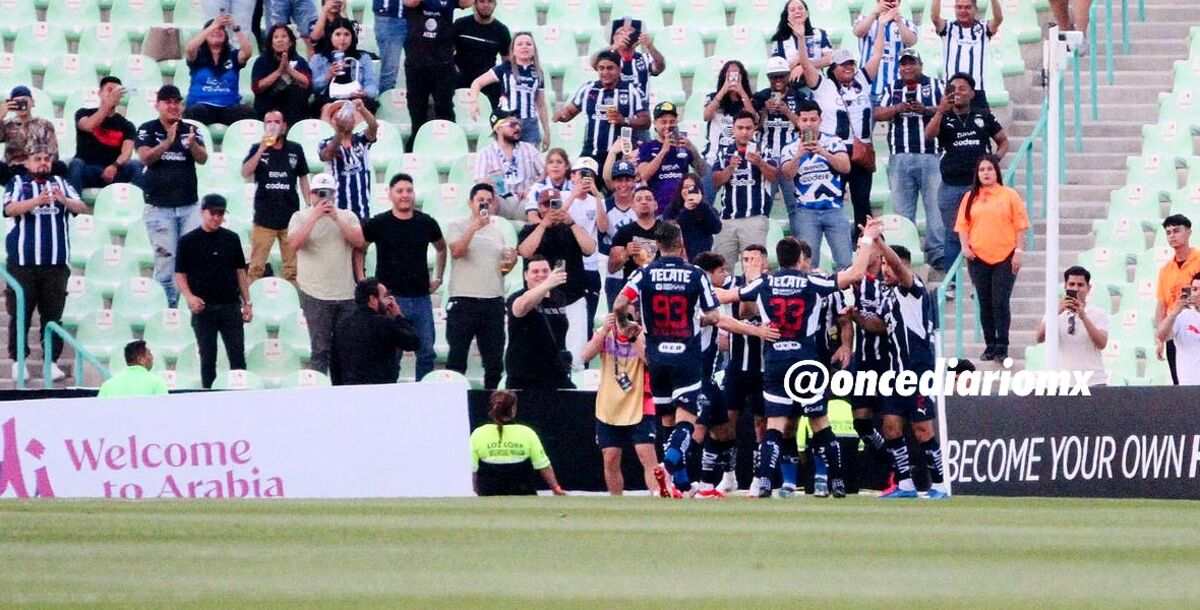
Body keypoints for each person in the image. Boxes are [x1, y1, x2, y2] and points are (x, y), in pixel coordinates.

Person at [717, 226, 879, 499]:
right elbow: (855, 273)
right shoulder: (811, 282)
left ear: (778, 259)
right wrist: (866, 239)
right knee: (820, 423)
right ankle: (837, 483)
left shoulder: (764, 283)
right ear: (800, 259)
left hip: (776, 359)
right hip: (806, 360)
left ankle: (766, 484)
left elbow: (724, 296)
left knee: (775, 427)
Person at [613, 221, 720, 497]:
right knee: (687, 421)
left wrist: (626, 327)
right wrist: (700, 319)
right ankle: (668, 467)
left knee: (667, 423)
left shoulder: (643, 273)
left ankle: (681, 486)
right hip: (686, 356)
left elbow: (618, 305)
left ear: (657, 245)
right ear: (681, 241)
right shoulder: (696, 274)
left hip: (656, 356)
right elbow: (715, 315)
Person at [873, 238, 949, 499]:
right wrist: (856, 317)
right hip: (895, 374)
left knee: (922, 429)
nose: (884, 269)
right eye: (882, 265)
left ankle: (939, 484)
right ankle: (905, 483)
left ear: (902, 266)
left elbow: (896, 265)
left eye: (889, 265)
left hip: (918, 371)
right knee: (891, 427)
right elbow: (882, 327)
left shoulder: (913, 288)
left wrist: (880, 244)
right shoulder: (889, 294)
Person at [3, 148, 87, 382]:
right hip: (23, 262)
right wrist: (36, 201)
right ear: (28, 163)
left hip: (56, 264)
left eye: (46, 159)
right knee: (20, 314)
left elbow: (80, 207)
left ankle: (51, 362)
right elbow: (9, 209)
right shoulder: (18, 182)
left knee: (52, 316)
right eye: (37, 159)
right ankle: (19, 362)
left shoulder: (61, 182)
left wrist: (64, 200)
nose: (43, 163)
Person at [794, 29, 887, 236]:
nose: (849, 68)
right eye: (843, 65)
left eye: (851, 64)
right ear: (833, 68)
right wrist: (801, 39)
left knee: (862, 199)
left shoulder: (862, 80)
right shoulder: (823, 86)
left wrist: (882, 23)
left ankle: (867, 241)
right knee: (834, 197)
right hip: (835, 150)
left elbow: (877, 55)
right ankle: (838, 239)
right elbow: (806, 64)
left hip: (861, 150)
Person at [362, 172, 446, 381]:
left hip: (420, 298)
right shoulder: (379, 222)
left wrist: (439, 277)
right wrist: (361, 276)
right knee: (392, 353)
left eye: (409, 190)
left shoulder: (426, 222)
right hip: (390, 298)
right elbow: (358, 249)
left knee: (426, 351)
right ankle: (392, 394)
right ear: (390, 194)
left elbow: (441, 248)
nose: (405, 195)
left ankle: (423, 394)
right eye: (399, 191)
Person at [136, 84, 208, 308]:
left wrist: (193, 143)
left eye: (177, 101)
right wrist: (168, 141)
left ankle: (190, 307)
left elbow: (203, 158)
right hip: (160, 207)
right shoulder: (147, 129)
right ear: (157, 105)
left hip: (188, 206)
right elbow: (145, 157)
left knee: (192, 258)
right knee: (166, 261)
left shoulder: (191, 129)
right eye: (168, 101)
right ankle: (167, 310)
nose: (173, 106)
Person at [927, 72, 1009, 269]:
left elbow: (1003, 141)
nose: (957, 93)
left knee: (982, 231)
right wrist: (940, 110)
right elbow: (929, 135)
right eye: (953, 89)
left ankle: (979, 280)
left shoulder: (983, 116)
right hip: (950, 186)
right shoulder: (944, 117)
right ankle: (952, 282)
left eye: (962, 88)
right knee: (952, 233)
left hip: (978, 186)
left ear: (972, 93)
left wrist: (994, 161)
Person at [873, 49, 946, 270]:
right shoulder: (892, 87)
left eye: (911, 63)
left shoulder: (935, 85)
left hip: (931, 154)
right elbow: (877, 113)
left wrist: (925, 110)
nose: (907, 68)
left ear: (920, 65)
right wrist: (897, 108)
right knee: (902, 210)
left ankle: (938, 253)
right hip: (900, 156)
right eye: (903, 64)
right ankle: (904, 253)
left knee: (935, 208)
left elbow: (947, 108)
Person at [955, 155, 1029, 362]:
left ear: (996, 171)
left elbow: (1020, 225)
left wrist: (1018, 252)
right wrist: (965, 247)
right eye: (982, 170)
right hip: (978, 257)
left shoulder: (1009, 195)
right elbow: (962, 225)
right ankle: (990, 344)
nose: (986, 173)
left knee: (1000, 301)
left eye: (989, 169)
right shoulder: (970, 197)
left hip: (1005, 256)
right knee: (985, 301)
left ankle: (1002, 344)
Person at [288, 173, 365, 374]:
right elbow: (294, 244)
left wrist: (335, 216)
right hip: (315, 294)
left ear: (334, 194)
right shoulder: (300, 217)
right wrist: (314, 216)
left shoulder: (347, 216)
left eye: (327, 193)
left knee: (346, 349)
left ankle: (343, 392)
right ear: (311, 194)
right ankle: (319, 394)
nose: (323, 197)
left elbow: (359, 242)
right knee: (320, 350)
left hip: (345, 293)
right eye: (318, 193)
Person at [175, 195, 252, 389]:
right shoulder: (188, 241)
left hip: (230, 306)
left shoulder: (231, 239)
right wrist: (190, 297)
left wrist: (247, 302)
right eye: (213, 213)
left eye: (220, 213)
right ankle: (208, 396)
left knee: (237, 356)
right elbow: (180, 274)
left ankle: (240, 395)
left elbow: (240, 272)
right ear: (203, 212)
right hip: (203, 308)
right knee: (207, 358)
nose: (217, 218)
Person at [446, 184, 515, 389]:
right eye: (480, 200)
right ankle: (453, 402)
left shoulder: (498, 231)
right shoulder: (457, 225)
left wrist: (510, 262)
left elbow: (500, 270)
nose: (484, 203)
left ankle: (493, 407)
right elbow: (457, 251)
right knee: (457, 359)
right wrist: (474, 226)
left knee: (493, 363)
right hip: (463, 300)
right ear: (471, 203)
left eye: (488, 200)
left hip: (492, 301)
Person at [581, 313, 659, 496]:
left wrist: (633, 336)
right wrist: (603, 333)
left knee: (646, 454)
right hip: (609, 404)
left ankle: (658, 496)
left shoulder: (644, 334)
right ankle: (617, 501)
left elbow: (652, 362)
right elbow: (585, 355)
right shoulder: (605, 332)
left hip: (640, 401)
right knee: (610, 457)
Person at [517, 188, 597, 368]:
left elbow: (590, 248)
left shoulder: (572, 229)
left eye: (556, 204)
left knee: (576, 359)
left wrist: (572, 223)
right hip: (540, 304)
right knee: (539, 359)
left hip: (572, 300)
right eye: (547, 204)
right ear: (539, 207)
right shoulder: (530, 229)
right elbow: (525, 251)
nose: (552, 208)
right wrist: (543, 225)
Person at [781, 99, 853, 270]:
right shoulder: (789, 148)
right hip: (806, 211)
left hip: (834, 208)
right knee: (808, 263)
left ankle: (846, 295)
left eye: (813, 119)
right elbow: (787, 174)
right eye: (804, 120)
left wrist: (823, 152)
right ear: (797, 121)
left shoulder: (833, 142)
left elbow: (846, 167)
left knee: (845, 261)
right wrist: (798, 155)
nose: (809, 124)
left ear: (820, 120)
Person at [242, 110, 311, 284]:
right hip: (264, 219)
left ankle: (296, 306)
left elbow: (303, 177)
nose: (272, 125)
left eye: (276, 122)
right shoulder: (257, 148)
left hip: (290, 219)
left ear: (284, 126)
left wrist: (309, 205)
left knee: (292, 270)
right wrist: (262, 148)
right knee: (256, 267)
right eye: (268, 122)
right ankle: (251, 305)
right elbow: (245, 172)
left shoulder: (295, 149)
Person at [553, 50, 650, 168]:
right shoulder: (588, 89)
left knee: (618, 185)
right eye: (601, 68)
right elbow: (570, 111)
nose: (605, 72)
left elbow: (646, 121)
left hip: (620, 155)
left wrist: (624, 121)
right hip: (591, 153)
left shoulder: (632, 91)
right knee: (583, 181)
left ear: (619, 70)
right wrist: (562, 115)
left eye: (610, 68)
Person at [711, 111, 777, 272]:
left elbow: (775, 177)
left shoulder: (764, 150)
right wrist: (730, 168)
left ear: (754, 129)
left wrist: (760, 163)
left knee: (755, 269)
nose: (744, 132)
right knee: (723, 269)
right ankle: (728, 297)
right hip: (727, 219)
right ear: (733, 129)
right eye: (740, 128)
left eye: (748, 128)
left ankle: (753, 298)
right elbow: (715, 182)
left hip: (754, 218)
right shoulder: (724, 152)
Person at [402, 0, 472, 150]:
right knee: (417, 108)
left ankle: (449, 145)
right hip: (416, 63)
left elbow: (467, 3)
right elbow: (410, 3)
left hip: (443, 63)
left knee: (444, 107)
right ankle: (417, 145)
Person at [470, 390, 566, 496]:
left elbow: (472, 469)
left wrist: (476, 489)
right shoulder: (527, 432)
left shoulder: (478, 433)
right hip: (522, 491)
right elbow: (543, 465)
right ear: (513, 409)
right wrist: (556, 488)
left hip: (488, 492)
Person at [753, 56, 810, 234]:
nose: (777, 80)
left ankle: (799, 246)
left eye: (781, 76)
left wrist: (787, 112)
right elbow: (752, 127)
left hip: (790, 157)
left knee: (795, 206)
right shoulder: (760, 97)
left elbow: (806, 127)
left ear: (787, 75)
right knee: (763, 206)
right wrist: (764, 112)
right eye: (773, 77)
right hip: (766, 156)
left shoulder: (799, 96)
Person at [329, 277, 421, 385]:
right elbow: (413, 342)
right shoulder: (383, 324)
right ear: (372, 300)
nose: (389, 301)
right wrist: (399, 316)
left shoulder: (342, 324)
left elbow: (334, 365)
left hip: (350, 392)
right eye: (385, 297)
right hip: (381, 392)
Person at [468, 32, 550, 149]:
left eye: (528, 44)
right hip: (508, 122)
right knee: (507, 161)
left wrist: (547, 131)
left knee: (528, 162)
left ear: (534, 50)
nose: (524, 46)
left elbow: (541, 104)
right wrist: (473, 103)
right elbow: (478, 82)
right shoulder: (505, 68)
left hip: (530, 124)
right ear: (513, 50)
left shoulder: (538, 73)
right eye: (520, 44)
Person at [504, 255, 574, 390]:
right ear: (525, 275)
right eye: (535, 272)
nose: (541, 275)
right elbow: (520, 309)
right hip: (524, 376)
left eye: (545, 271)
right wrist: (547, 284)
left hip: (555, 374)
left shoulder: (558, 297)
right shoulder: (517, 296)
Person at [1035, 265, 1109, 385]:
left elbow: (1102, 343)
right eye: (1072, 284)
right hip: (1064, 382)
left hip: (1093, 381)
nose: (1076, 289)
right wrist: (1057, 312)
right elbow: (1039, 338)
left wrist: (1083, 317)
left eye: (1080, 285)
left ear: (1088, 288)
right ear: (1065, 286)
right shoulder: (1054, 312)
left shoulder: (1097, 313)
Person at [68, 76, 143, 194]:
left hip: (113, 171)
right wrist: (107, 105)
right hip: (88, 169)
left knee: (135, 165)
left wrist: (114, 166)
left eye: (116, 92)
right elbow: (88, 126)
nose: (113, 95)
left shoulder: (127, 125)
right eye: (109, 90)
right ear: (100, 93)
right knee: (75, 164)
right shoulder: (83, 113)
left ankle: (145, 204)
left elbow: (127, 153)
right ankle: (74, 207)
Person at [564, 157, 608, 340]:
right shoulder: (562, 196)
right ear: (573, 175)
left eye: (589, 175)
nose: (585, 179)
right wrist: (573, 195)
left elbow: (603, 227)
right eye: (581, 174)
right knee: (566, 318)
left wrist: (597, 196)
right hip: (568, 265)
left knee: (587, 320)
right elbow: (556, 219)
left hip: (590, 265)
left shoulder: (597, 200)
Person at [931, 0, 1003, 111]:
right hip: (951, 91)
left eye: (968, 7)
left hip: (976, 91)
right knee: (948, 127)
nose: (963, 11)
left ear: (976, 9)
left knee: (985, 127)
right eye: (959, 7)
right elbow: (935, 17)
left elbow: (998, 19)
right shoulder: (948, 27)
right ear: (954, 9)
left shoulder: (983, 28)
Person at [183, 16, 255, 126]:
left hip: (228, 107)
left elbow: (247, 52)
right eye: (213, 30)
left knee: (248, 113)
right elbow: (189, 49)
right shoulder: (198, 56)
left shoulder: (233, 55)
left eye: (221, 29)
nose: (217, 31)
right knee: (195, 113)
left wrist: (235, 27)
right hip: (201, 106)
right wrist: (213, 26)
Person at [637, 101, 704, 218]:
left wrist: (692, 148)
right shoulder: (647, 147)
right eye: (663, 122)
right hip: (658, 210)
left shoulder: (683, 145)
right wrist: (663, 151)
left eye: (672, 122)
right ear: (655, 124)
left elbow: (702, 171)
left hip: (684, 210)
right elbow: (643, 176)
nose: (668, 126)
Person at [473, 110, 544, 221]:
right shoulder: (485, 154)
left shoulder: (529, 148)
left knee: (540, 200)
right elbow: (481, 184)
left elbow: (545, 173)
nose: (517, 128)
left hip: (525, 200)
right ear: (498, 129)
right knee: (486, 202)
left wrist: (532, 188)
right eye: (512, 125)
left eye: (518, 124)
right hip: (500, 201)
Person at [1155, 215, 1200, 384]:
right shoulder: (1166, 269)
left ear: (1188, 232)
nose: (1172, 236)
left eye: (1176, 230)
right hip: (1176, 329)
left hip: (1196, 325)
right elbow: (1161, 305)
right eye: (1168, 233)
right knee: (1180, 381)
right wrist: (1159, 339)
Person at [319, 99, 378, 222]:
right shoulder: (325, 143)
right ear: (333, 122)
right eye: (339, 117)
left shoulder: (361, 140)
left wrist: (362, 109)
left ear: (354, 121)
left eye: (347, 116)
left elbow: (373, 126)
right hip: (338, 211)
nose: (344, 119)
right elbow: (327, 154)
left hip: (362, 210)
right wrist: (339, 133)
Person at [701, 60, 756, 188]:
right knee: (706, 198)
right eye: (729, 74)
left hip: (740, 159)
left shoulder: (749, 99)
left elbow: (754, 119)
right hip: (713, 156)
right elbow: (706, 116)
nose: (733, 78)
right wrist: (724, 89)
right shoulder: (713, 97)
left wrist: (741, 92)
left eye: (736, 74)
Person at [309, 18, 381, 115]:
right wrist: (328, 76)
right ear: (330, 36)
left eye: (346, 34)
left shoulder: (363, 58)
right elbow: (313, 87)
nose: (342, 38)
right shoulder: (318, 58)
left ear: (352, 37)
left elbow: (371, 84)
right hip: (328, 99)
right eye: (338, 34)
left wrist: (365, 92)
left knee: (357, 108)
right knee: (329, 109)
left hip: (356, 99)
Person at [852, 0, 917, 104]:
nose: (889, 3)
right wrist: (875, 13)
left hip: (895, 89)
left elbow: (911, 41)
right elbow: (858, 32)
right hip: (868, 89)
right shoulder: (865, 19)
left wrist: (898, 20)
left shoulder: (906, 23)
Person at [251, 24, 314, 127]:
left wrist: (289, 69)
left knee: (296, 92)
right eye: (276, 37)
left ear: (290, 42)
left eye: (284, 36)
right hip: (269, 104)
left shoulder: (299, 61)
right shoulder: (261, 61)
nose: (280, 40)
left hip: (293, 107)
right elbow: (257, 87)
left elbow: (308, 83)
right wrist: (279, 72)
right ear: (271, 43)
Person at [453, 0, 511, 112]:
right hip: (461, 76)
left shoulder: (501, 31)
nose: (486, 5)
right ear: (474, 4)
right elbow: (446, 52)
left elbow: (507, 62)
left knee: (499, 92)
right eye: (482, 1)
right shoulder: (461, 24)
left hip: (486, 79)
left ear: (495, 4)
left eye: (490, 2)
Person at [1, 86, 64, 185]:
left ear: (32, 102)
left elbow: (53, 153)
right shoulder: (7, 125)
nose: (21, 105)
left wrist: (37, 163)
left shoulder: (45, 125)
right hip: (15, 169)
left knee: (60, 166)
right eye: (16, 102)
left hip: (40, 167)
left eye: (24, 101)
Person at [597, 16, 665, 103]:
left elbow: (660, 67)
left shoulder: (645, 58)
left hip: (641, 113)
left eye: (631, 31)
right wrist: (614, 47)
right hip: (613, 110)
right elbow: (593, 62)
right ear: (612, 38)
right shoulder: (606, 60)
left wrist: (650, 46)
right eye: (620, 32)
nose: (626, 35)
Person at [608, 187, 661, 294]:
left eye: (648, 199)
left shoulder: (666, 230)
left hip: (661, 289)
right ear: (632, 206)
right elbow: (612, 268)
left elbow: (681, 259)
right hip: (633, 290)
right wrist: (626, 254)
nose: (644, 202)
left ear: (656, 205)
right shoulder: (624, 232)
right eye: (639, 199)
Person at [602, 160, 640, 308]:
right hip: (612, 271)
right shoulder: (604, 206)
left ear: (634, 180)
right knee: (615, 321)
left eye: (628, 179)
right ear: (612, 182)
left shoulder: (641, 206)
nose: (624, 184)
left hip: (637, 270)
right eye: (619, 180)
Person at [1156, 272, 1200, 386]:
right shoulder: (1182, 316)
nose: (1197, 294)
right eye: (1194, 289)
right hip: (1188, 387)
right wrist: (1174, 313)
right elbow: (1161, 336)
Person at [770, 0, 834, 75]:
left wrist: (804, 66)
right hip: (791, 83)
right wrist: (798, 59)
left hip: (817, 81)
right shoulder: (779, 40)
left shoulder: (819, 33)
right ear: (787, 16)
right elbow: (777, 68)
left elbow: (830, 59)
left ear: (807, 13)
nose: (797, 11)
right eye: (792, 10)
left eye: (800, 8)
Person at [670, 174, 721, 261]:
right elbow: (672, 230)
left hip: (703, 258)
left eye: (692, 187)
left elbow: (716, 228)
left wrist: (702, 204)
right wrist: (686, 210)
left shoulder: (707, 208)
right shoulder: (672, 209)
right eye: (685, 187)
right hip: (679, 257)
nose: (688, 191)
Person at [98, 341, 169, 398]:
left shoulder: (107, 386)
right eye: (149, 354)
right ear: (140, 359)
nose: (152, 357)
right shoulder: (157, 384)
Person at [522, 147, 571, 223]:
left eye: (559, 162)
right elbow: (532, 216)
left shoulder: (574, 187)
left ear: (567, 166)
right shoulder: (537, 188)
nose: (555, 165)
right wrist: (545, 226)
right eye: (551, 162)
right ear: (546, 167)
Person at [372, 0, 408, 93]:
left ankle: (416, 105)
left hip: (416, 16)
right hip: (389, 18)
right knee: (389, 71)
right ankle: (385, 105)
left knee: (418, 67)